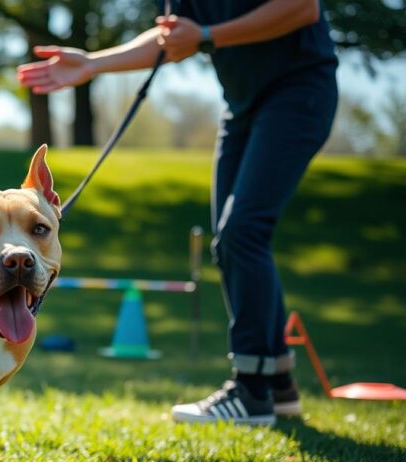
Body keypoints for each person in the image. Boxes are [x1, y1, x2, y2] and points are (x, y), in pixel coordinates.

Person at [17, 0, 338, 426]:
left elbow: (301, 8)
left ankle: (251, 389)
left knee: (242, 233)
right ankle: (277, 386)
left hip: (299, 91)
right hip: (241, 108)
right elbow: (173, 39)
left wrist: (207, 36)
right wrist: (93, 64)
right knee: (236, 243)